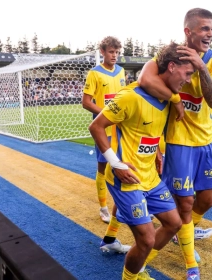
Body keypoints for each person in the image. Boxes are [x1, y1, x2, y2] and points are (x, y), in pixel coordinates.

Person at [89, 42, 195, 280]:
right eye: (187, 73)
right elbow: (96, 127)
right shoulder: (130, 97)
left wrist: (157, 151)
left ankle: (138, 267)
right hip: (125, 178)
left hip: (150, 177)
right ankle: (130, 277)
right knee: (146, 239)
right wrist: (116, 164)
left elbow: (148, 133)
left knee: (174, 223)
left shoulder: (167, 99)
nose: (188, 80)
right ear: (171, 67)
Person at [138, 8, 212, 280]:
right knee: (185, 203)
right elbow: (145, 78)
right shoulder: (170, 54)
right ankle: (189, 259)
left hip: (206, 140)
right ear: (188, 31)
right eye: (204, 29)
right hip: (179, 141)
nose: (209, 34)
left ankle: (184, 233)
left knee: (207, 200)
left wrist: (201, 67)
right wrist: (175, 100)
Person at [82, 36, 129, 253]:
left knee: (122, 167)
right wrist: (106, 114)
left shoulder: (120, 72)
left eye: (117, 51)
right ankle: (103, 207)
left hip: (119, 130)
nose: (114, 55)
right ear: (102, 51)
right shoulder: (94, 73)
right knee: (103, 169)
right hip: (103, 129)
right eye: (111, 51)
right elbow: (86, 102)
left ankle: (123, 206)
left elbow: (124, 97)